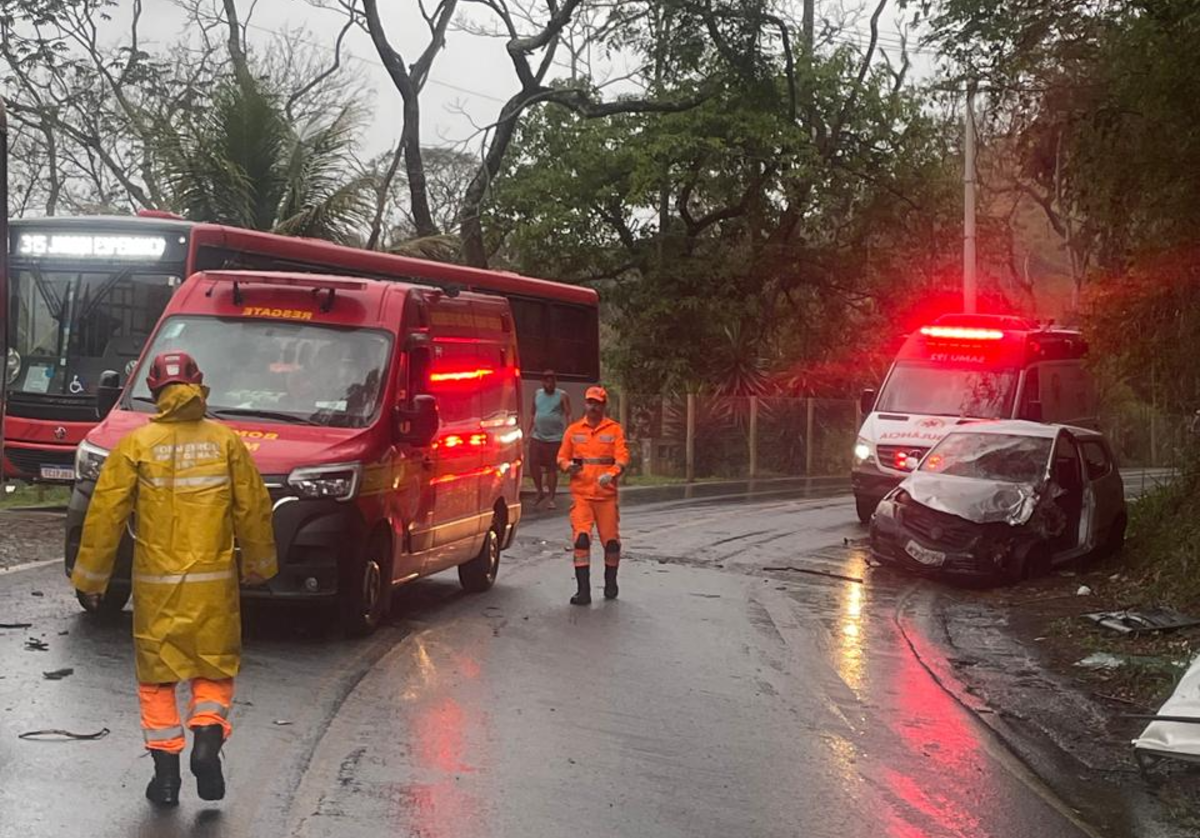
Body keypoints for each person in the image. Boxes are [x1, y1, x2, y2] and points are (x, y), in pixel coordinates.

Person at [71, 351, 276, 807]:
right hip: (214, 587)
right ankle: (207, 740)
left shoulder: (136, 446)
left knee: (157, 680)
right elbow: (254, 508)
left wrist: (91, 578)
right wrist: (259, 565)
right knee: (213, 668)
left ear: (153, 391)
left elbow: (105, 514)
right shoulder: (226, 443)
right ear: (199, 385)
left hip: (157, 589)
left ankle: (166, 779)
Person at [557, 386, 629, 605]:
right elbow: (561, 457)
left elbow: (622, 458)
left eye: (597, 403)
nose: (593, 406)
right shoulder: (573, 430)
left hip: (606, 497)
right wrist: (568, 466)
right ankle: (583, 591)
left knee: (612, 544)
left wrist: (612, 473)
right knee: (581, 540)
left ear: (603, 405)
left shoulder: (614, 430)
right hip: (582, 496)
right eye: (590, 402)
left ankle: (610, 583)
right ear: (585, 404)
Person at [528, 369, 572, 509]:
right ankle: (539, 491)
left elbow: (568, 414)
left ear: (555, 382)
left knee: (551, 468)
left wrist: (570, 432)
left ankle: (551, 497)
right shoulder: (537, 394)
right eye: (546, 380)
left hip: (555, 438)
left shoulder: (562, 395)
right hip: (537, 436)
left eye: (552, 380)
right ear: (543, 382)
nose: (549, 383)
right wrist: (528, 432)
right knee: (533, 463)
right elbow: (533, 413)